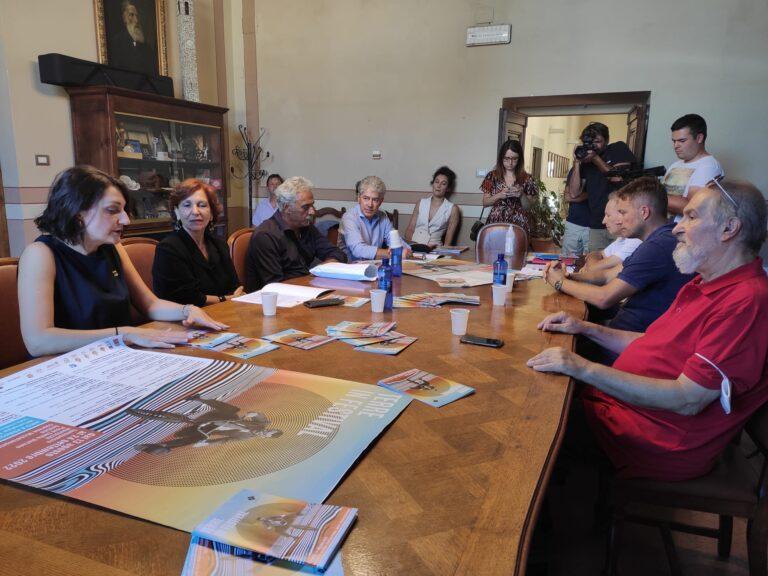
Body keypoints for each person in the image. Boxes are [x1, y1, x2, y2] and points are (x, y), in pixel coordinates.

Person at [528, 179, 768, 481]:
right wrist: (585, 328)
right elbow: (649, 344)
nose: (677, 227)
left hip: (653, 439)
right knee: (538, 394)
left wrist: (583, 367)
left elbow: (688, 399)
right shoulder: (703, 282)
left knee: (531, 422)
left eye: (691, 217)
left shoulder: (745, 302)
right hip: (622, 412)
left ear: (729, 229)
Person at [18, 166, 226, 357]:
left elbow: (150, 305)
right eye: (112, 210)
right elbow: (38, 341)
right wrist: (123, 334)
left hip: (116, 357)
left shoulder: (113, 248)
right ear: (78, 213)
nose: (126, 220)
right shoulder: (40, 254)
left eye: (125, 210)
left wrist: (187, 310)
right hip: (65, 368)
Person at [543, 177, 694, 336]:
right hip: (620, 330)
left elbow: (604, 298)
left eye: (623, 212)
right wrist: (569, 276)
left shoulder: (658, 245)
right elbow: (608, 275)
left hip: (627, 344)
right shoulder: (658, 239)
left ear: (644, 212)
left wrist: (560, 282)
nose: (619, 220)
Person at [245, 176, 347, 292]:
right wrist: (314, 275)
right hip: (272, 303)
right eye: (306, 207)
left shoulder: (306, 227)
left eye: (312, 205)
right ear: (287, 208)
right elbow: (276, 286)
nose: (312, 211)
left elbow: (338, 254)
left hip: (304, 291)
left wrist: (321, 269)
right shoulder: (265, 236)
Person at [152, 179, 243, 306]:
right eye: (187, 205)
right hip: (184, 321)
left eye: (202, 205)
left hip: (224, 314)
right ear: (177, 212)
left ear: (211, 213)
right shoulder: (168, 249)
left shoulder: (219, 245)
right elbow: (187, 299)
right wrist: (225, 299)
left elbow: (236, 287)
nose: (195, 212)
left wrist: (232, 297)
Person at [566, 122, 636, 252]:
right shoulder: (585, 162)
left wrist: (595, 158)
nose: (593, 147)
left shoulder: (618, 149)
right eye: (590, 143)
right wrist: (577, 162)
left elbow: (618, 178)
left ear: (607, 140)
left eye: (597, 141)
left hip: (620, 222)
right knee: (594, 261)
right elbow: (574, 193)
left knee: (619, 262)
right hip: (597, 224)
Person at [570, 195, 642, 285]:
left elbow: (594, 268)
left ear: (621, 216)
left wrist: (589, 266)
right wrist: (592, 263)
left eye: (608, 215)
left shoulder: (635, 242)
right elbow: (596, 254)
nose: (603, 221)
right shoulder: (621, 239)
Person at [663, 114, 723, 221]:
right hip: (661, 228)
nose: (676, 145)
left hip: (682, 233)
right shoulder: (675, 165)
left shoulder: (709, 166)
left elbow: (692, 207)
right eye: (674, 141)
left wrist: (652, 197)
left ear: (699, 138)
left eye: (682, 141)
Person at [340, 175, 411, 261]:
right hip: (350, 268)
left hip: (375, 266)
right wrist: (394, 254)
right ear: (359, 198)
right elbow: (358, 250)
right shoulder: (349, 217)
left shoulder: (383, 217)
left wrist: (406, 250)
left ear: (381, 201)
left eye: (375, 200)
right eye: (366, 198)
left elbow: (398, 243)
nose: (370, 204)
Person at [480, 140, 538, 238]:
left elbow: (528, 207)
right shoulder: (491, 176)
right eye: (506, 158)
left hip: (519, 226)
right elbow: (485, 203)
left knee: (517, 252)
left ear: (520, 159)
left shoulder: (528, 179)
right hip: (496, 225)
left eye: (514, 159)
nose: (510, 163)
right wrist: (500, 195)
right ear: (501, 158)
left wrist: (521, 195)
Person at [404, 166, 461, 249]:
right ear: (433, 183)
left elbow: (448, 241)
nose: (439, 186)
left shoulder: (452, 209)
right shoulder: (421, 203)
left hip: (435, 250)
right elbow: (410, 229)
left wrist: (442, 254)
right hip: (414, 247)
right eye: (436, 182)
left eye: (443, 183)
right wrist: (410, 247)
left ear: (448, 188)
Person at [109, 0, 158, 76]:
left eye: (137, 16)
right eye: (131, 15)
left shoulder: (146, 47)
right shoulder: (117, 42)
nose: (136, 20)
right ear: (124, 18)